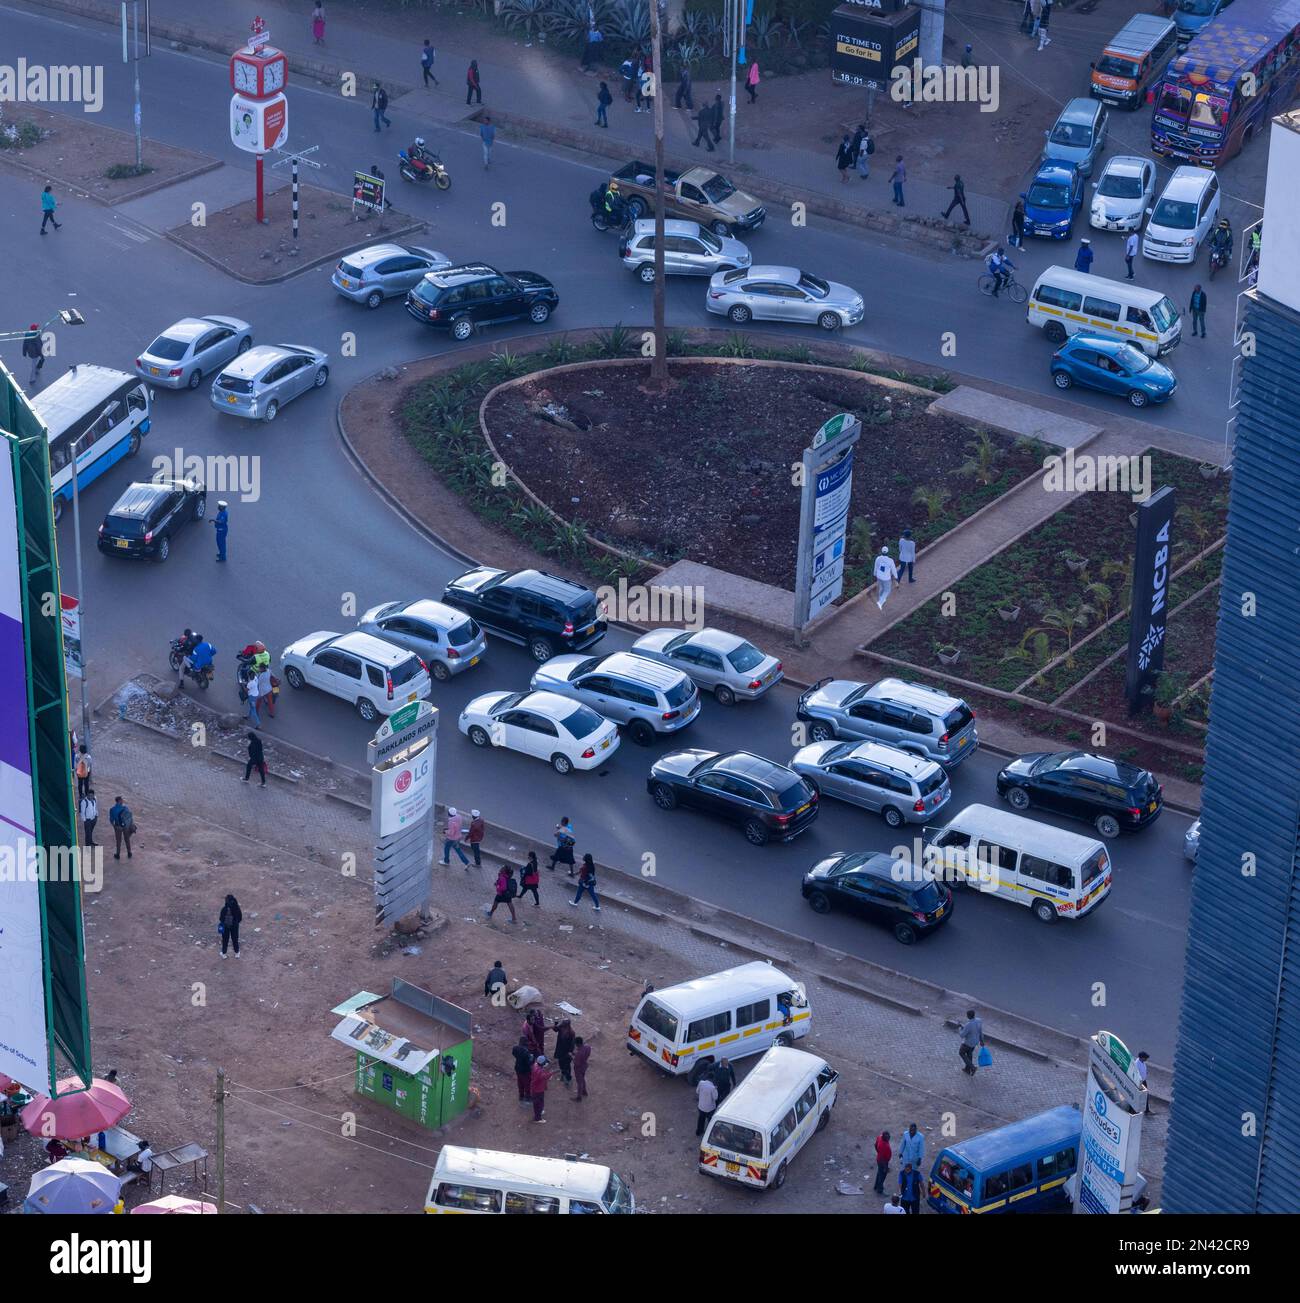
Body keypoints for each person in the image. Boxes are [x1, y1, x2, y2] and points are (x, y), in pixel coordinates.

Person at [529, 1055, 555, 1122]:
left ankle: (539, 1111)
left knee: (540, 1101)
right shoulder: (539, 1072)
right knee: (538, 1103)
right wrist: (552, 1073)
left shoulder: (535, 1065)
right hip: (538, 1089)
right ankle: (537, 1118)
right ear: (542, 1063)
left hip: (536, 1088)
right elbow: (545, 1076)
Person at [959, 1009, 984, 1076]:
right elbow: (980, 1032)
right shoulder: (979, 1021)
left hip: (968, 1043)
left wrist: (960, 1029)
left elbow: (962, 1035)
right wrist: (982, 1041)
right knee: (969, 1054)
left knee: (961, 1053)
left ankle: (972, 1068)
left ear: (968, 1016)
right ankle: (967, 1069)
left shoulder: (969, 1024)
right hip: (975, 1042)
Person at [874, 547, 900, 611]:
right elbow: (894, 570)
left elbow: (876, 566)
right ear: (888, 552)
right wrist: (896, 577)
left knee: (881, 587)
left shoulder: (878, 558)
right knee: (887, 590)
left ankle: (881, 598)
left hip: (879, 576)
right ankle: (880, 602)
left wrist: (874, 574)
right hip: (886, 578)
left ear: (881, 551)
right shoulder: (890, 560)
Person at [552, 1019, 576, 1085]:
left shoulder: (571, 1033)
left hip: (566, 1053)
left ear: (567, 1025)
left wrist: (570, 1052)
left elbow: (572, 1044)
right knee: (561, 1064)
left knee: (567, 1066)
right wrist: (556, 1024)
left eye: (564, 1024)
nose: (562, 1025)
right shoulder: (561, 1028)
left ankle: (568, 1078)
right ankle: (563, 1075)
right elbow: (555, 1029)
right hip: (560, 1050)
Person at [695, 1070, 719, 1136]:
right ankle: (710, 1134)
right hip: (710, 1108)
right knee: (710, 1121)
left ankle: (699, 1131)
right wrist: (716, 1089)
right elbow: (715, 1098)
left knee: (701, 1119)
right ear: (713, 1079)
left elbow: (697, 1091)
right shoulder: (713, 1088)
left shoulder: (701, 1083)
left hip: (701, 1106)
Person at [218, 893, 242, 958]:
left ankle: (224, 953)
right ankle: (237, 953)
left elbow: (221, 918)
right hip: (235, 926)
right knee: (235, 939)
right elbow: (240, 918)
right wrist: (235, 923)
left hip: (226, 927)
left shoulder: (224, 909)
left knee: (225, 940)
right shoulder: (237, 908)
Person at [512, 1036, 534, 1103]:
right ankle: (528, 1096)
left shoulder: (515, 1048)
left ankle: (521, 1095)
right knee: (527, 1083)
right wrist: (532, 1058)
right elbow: (529, 1062)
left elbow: (513, 1054)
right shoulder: (526, 1052)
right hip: (525, 1070)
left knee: (520, 1082)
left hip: (518, 1068)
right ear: (525, 1042)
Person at [573, 1036, 591, 1100]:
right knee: (582, 1079)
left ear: (578, 1044)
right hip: (584, 1065)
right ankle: (584, 1091)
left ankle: (579, 1097)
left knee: (579, 1082)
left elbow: (576, 1063)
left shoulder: (579, 1054)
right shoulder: (587, 1047)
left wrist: (572, 1057)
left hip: (579, 1068)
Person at [874, 1130, 892, 1194]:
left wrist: (878, 1152)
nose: (888, 1138)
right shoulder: (883, 1145)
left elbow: (875, 1145)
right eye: (887, 1137)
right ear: (884, 1137)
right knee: (882, 1175)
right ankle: (880, 1190)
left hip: (880, 1160)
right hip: (883, 1161)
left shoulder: (880, 1137)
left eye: (889, 1136)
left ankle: (876, 1186)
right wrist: (885, 1167)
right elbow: (881, 1158)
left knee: (879, 1173)